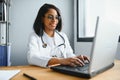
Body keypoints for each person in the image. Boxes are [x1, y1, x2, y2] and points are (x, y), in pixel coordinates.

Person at [27, 3, 89, 68]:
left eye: (56, 17)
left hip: (63, 70)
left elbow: (69, 54)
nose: (54, 20)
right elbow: (32, 57)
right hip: (44, 72)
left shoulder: (63, 36)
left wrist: (76, 58)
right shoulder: (34, 36)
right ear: (42, 18)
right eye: (50, 17)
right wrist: (61, 61)